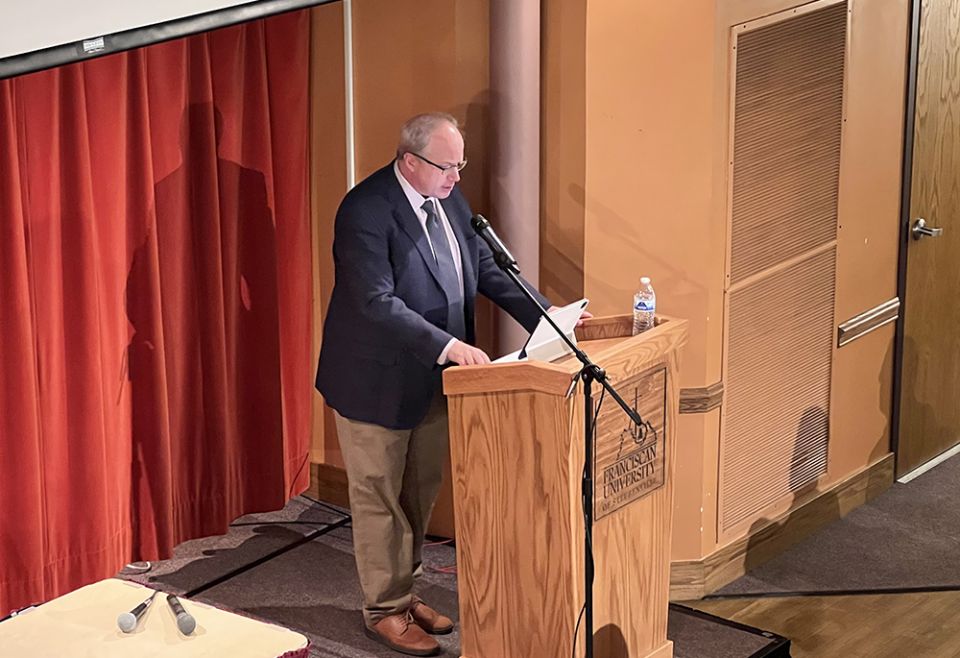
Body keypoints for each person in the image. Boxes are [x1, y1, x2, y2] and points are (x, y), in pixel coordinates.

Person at [316, 113, 575, 656]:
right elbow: (374, 302)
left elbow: (489, 270)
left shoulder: (450, 200)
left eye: (461, 165)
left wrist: (551, 320)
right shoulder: (365, 211)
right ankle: (383, 609)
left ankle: (403, 593)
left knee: (418, 493)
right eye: (446, 166)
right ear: (410, 161)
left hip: (436, 382)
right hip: (375, 382)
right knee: (379, 498)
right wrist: (449, 347)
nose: (457, 177)